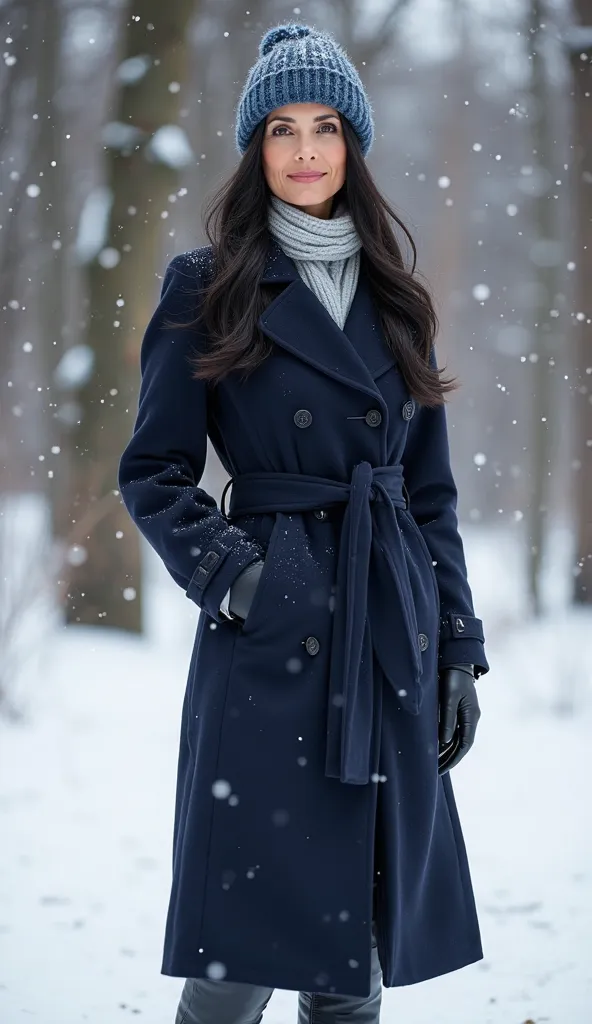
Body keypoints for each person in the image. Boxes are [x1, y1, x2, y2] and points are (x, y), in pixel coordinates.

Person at [118, 21, 490, 1024]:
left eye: (325, 124)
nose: (305, 148)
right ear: (257, 148)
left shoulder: (397, 302)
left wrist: (455, 644)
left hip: (383, 644)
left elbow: (428, 495)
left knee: (353, 956)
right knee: (239, 957)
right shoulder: (209, 286)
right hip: (272, 643)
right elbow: (153, 471)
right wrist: (244, 581)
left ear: (353, 145)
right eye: (280, 127)